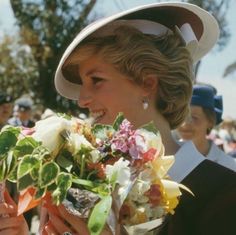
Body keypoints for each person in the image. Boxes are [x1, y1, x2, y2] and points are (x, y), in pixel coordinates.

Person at [1, 2, 236, 235]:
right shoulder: (79, 180)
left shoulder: (223, 190)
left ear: (147, 83)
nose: (82, 99)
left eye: (96, 80)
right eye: (83, 83)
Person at [176, 84, 236, 171]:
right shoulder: (165, 157)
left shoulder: (227, 165)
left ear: (210, 122)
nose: (185, 124)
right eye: (181, 116)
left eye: (194, 118)